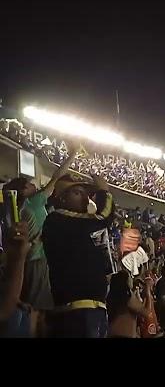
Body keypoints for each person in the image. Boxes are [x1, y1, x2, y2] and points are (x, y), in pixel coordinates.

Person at [3, 144, 80, 309]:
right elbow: (57, 177)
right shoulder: (34, 202)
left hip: (25, 261)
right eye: (30, 184)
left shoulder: (18, 208)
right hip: (36, 261)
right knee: (38, 306)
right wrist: (72, 156)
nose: (34, 185)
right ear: (23, 191)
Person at [42, 173, 114, 338]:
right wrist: (104, 191)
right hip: (76, 309)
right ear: (61, 199)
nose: (84, 198)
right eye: (77, 193)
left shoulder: (76, 222)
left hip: (92, 307)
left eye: (86, 194)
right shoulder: (56, 219)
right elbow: (102, 217)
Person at [106, 270, 154, 338]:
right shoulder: (127, 296)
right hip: (125, 335)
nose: (132, 279)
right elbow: (146, 312)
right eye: (130, 277)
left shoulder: (112, 296)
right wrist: (148, 292)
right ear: (126, 281)